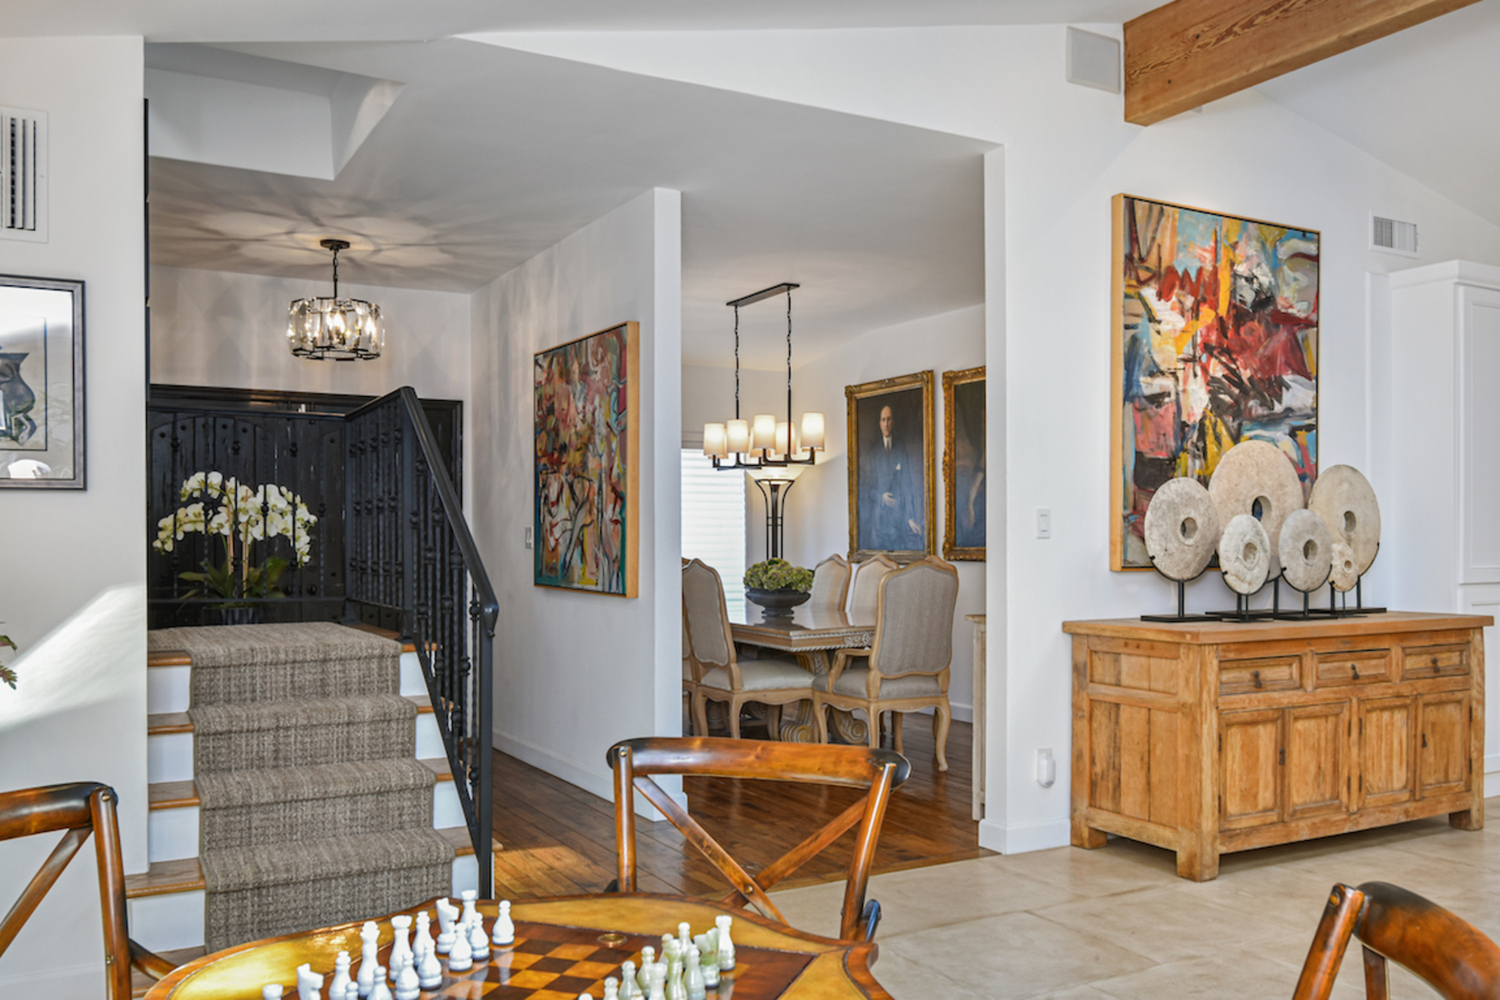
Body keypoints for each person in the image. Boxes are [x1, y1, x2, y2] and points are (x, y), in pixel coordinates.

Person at [862, 404, 923, 550]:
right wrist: (881, 497)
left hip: (899, 519)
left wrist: (910, 517)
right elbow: (869, 488)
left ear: (893, 422)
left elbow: (907, 484)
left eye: (889, 419)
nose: (886, 424)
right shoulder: (874, 453)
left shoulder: (901, 448)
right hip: (881, 520)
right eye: (883, 420)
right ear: (880, 424)